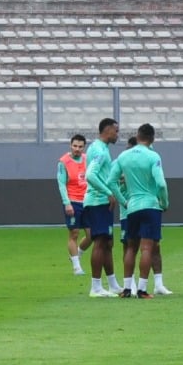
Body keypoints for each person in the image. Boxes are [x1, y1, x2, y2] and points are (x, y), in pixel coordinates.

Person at [111, 123, 170, 299]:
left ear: (137, 137)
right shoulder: (153, 156)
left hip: (133, 206)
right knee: (147, 248)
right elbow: (161, 183)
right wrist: (165, 202)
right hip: (151, 205)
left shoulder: (123, 156)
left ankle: (128, 288)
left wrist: (123, 201)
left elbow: (111, 181)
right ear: (152, 139)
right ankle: (143, 289)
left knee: (131, 247)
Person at [82, 118, 122, 296]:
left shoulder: (102, 149)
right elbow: (90, 175)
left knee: (107, 243)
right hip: (97, 201)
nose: (117, 134)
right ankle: (96, 287)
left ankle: (112, 284)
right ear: (107, 130)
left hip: (101, 201)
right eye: (116, 131)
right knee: (99, 241)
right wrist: (107, 191)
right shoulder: (99, 150)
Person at [57, 133, 90, 274]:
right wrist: (67, 203)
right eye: (75, 146)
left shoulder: (87, 159)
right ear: (71, 145)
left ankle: (77, 254)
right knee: (74, 233)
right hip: (73, 201)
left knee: (92, 235)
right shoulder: (63, 162)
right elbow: (61, 184)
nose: (77, 149)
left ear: (84, 147)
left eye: (80, 146)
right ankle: (77, 267)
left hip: (87, 201)